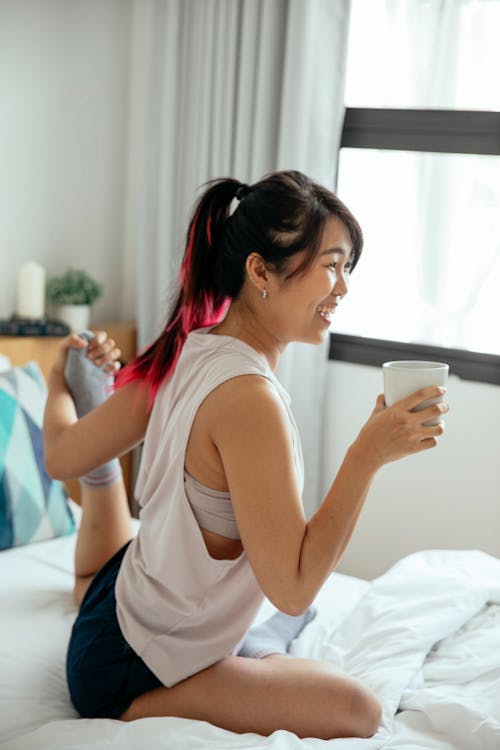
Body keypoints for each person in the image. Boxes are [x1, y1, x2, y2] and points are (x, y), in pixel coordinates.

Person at [43, 170, 448, 740]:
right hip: (126, 670)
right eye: (331, 265)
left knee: (277, 631)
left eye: (347, 267)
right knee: (358, 710)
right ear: (259, 270)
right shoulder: (248, 399)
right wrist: (366, 454)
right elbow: (294, 588)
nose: (343, 288)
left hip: (117, 605)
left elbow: (58, 456)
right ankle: (138, 710)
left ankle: (103, 464)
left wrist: (61, 381)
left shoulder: (190, 345)